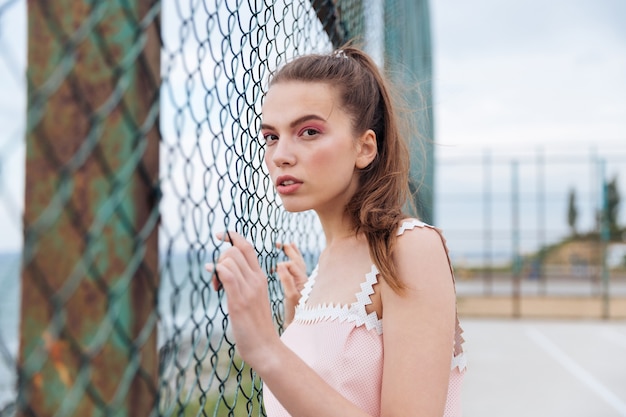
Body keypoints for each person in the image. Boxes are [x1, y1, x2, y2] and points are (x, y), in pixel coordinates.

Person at [205, 46, 466, 417]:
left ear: (364, 147)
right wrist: (295, 319)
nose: (280, 155)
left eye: (308, 131)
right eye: (271, 136)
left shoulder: (409, 248)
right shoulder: (323, 265)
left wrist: (267, 347)